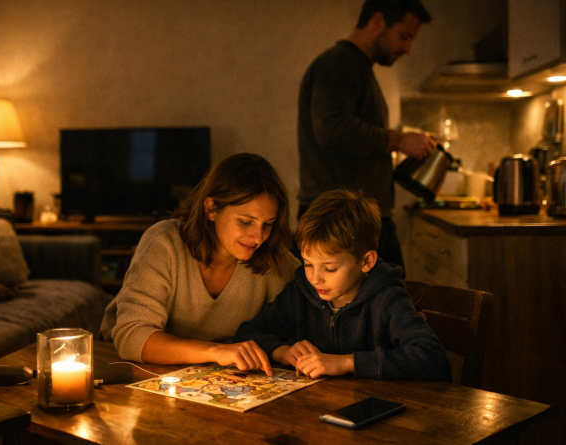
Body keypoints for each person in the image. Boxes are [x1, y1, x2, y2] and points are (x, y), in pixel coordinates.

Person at [100, 153, 300, 375]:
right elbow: (132, 337)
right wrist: (217, 351)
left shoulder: (273, 256)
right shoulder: (164, 242)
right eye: (245, 222)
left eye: (268, 224)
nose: (258, 237)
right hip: (128, 366)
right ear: (211, 209)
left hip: (218, 377)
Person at [234, 189, 450, 381]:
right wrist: (281, 351)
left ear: (367, 262)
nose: (315, 278)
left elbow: (434, 358)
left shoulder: (387, 299)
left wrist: (347, 363)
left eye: (329, 268)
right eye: (308, 264)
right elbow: (248, 333)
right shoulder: (300, 292)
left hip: (374, 407)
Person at [297, 0, 437, 269]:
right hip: (342, 222)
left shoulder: (355, 67)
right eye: (404, 36)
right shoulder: (340, 63)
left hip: (355, 218)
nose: (407, 49)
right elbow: (331, 128)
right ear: (377, 22)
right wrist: (397, 140)